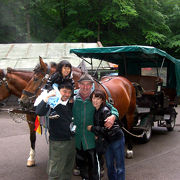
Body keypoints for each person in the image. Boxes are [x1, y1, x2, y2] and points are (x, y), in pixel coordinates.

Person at [73, 73, 119, 180]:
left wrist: (113, 116)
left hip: (92, 139)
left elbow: (113, 109)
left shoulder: (95, 98)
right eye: (82, 84)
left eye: (88, 84)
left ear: (92, 85)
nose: (85, 87)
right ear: (78, 84)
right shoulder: (73, 97)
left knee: (94, 167)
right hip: (78, 139)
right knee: (81, 165)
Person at [35, 82, 76, 180]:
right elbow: (39, 112)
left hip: (71, 141)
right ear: (58, 91)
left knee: (68, 168)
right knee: (55, 171)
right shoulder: (52, 103)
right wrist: (47, 96)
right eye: (64, 91)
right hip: (58, 142)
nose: (66, 94)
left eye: (69, 92)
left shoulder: (70, 104)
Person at [87, 89, 125, 180]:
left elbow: (108, 129)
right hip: (107, 141)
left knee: (119, 166)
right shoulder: (95, 110)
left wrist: (93, 128)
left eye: (98, 99)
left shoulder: (104, 110)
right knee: (109, 165)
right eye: (93, 98)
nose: (95, 101)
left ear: (103, 100)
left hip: (116, 139)